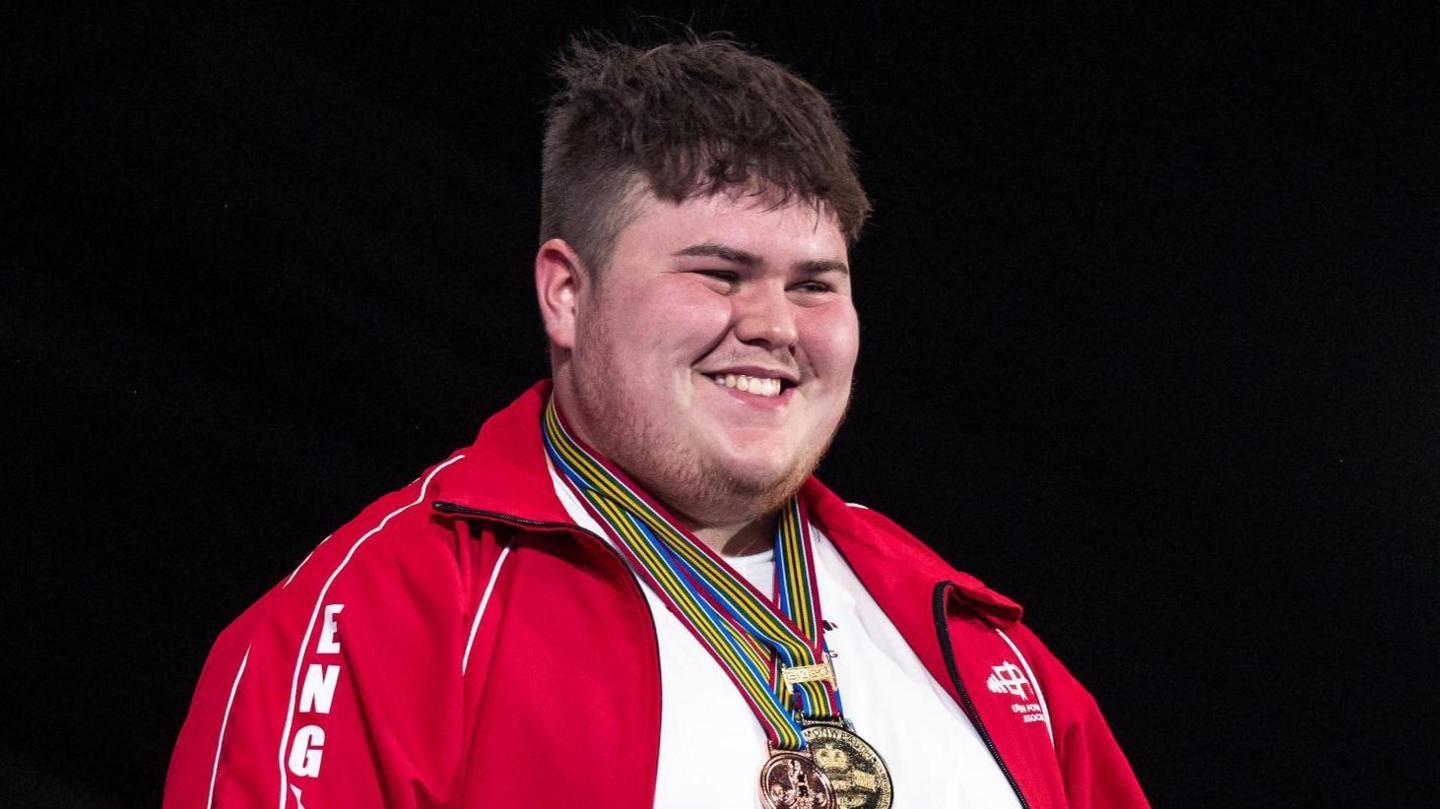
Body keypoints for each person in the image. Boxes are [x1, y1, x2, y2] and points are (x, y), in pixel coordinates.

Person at [164, 36, 1149, 809]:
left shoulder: (983, 648)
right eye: (717, 273)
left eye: (815, 283)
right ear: (565, 294)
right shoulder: (377, 623)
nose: (771, 326)